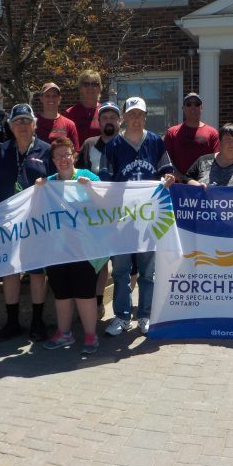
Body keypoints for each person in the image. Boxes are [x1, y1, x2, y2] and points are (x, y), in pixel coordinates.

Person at [101, 96, 175, 336]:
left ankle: (144, 315)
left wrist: (169, 180)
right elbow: (104, 182)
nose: (135, 119)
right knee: (121, 270)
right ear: (124, 117)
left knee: (147, 271)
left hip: (149, 219)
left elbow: (167, 171)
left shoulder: (155, 142)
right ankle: (122, 316)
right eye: (131, 114)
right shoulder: (112, 145)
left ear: (145, 117)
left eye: (139, 114)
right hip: (122, 220)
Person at [0, 103, 54, 342]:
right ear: (11, 126)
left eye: (27, 121)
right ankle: (12, 322)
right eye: (18, 122)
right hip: (8, 223)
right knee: (10, 271)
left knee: (37, 272)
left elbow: (58, 186)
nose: (23, 126)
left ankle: (37, 322)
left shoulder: (47, 150)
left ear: (35, 124)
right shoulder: (3, 150)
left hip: (37, 223)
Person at [36, 139, 105, 354]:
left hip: (84, 249)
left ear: (74, 156)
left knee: (85, 294)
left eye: (67, 154)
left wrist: (91, 189)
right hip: (57, 249)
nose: (63, 159)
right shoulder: (48, 184)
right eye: (58, 156)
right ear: (53, 161)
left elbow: (105, 204)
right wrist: (38, 190)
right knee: (62, 294)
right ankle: (64, 333)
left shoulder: (89, 177)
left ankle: (90, 336)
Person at [75, 100, 121, 317]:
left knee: (123, 260)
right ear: (99, 121)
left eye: (113, 117)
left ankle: (124, 308)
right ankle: (98, 301)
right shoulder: (89, 144)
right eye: (105, 118)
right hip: (93, 212)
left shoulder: (127, 144)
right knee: (100, 259)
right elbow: (76, 175)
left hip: (122, 211)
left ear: (119, 121)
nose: (109, 121)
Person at [164, 93, 219, 182]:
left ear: (201, 108)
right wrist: (180, 177)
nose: (193, 107)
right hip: (178, 185)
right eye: (189, 104)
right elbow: (167, 159)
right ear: (183, 108)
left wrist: (202, 180)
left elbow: (215, 160)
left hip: (203, 185)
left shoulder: (212, 133)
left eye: (197, 104)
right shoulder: (172, 132)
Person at [36, 82, 80, 150]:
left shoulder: (69, 124)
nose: (51, 99)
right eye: (47, 95)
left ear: (59, 99)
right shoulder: (32, 123)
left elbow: (75, 152)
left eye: (54, 96)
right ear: (41, 98)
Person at [63, 70, 102, 143]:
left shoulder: (105, 111)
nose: (90, 87)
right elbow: (65, 142)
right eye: (86, 84)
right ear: (80, 88)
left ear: (100, 88)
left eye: (94, 84)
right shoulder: (70, 113)